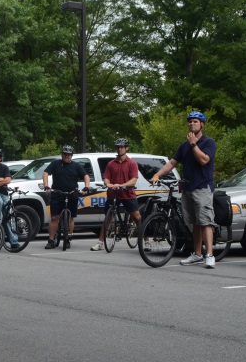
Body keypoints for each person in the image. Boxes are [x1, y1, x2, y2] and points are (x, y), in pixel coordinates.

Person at [150, 111, 217, 268]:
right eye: (190, 121)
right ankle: (197, 254)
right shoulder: (184, 145)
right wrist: (157, 175)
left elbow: (203, 160)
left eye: (195, 121)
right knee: (194, 223)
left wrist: (194, 144)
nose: (192, 123)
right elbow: (172, 163)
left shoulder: (208, 142)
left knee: (205, 221)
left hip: (202, 187)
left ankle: (210, 255)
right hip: (187, 188)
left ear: (202, 125)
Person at [91, 138, 141, 251]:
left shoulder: (132, 163)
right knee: (107, 218)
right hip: (113, 194)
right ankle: (100, 243)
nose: (119, 149)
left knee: (137, 217)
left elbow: (133, 180)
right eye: (118, 147)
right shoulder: (111, 164)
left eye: (122, 147)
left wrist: (122, 185)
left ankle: (145, 240)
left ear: (126, 148)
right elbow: (106, 178)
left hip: (128, 194)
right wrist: (108, 184)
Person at [42, 145, 90, 249]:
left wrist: (86, 187)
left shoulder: (76, 166)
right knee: (55, 217)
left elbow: (86, 176)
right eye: (65, 154)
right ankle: (50, 240)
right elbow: (45, 173)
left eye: (69, 155)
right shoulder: (55, 163)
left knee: (71, 217)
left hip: (72, 193)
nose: (66, 156)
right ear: (62, 155)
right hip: (57, 193)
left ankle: (68, 238)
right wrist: (46, 186)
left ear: (71, 156)